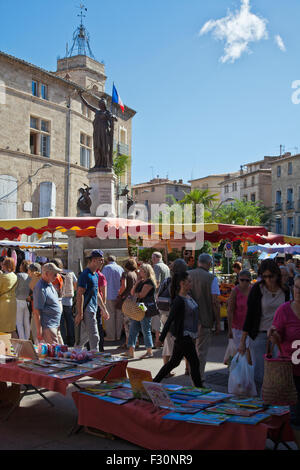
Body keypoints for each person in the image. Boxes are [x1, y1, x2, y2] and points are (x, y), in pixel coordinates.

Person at [238, 258, 290, 395]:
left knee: (278, 372)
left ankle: (276, 401)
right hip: (259, 334)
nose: (268, 279)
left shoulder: (284, 291)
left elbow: (288, 314)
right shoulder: (257, 289)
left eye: (270, 276)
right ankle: (263, 401)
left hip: (278, 336)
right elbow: (249, 316)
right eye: (264, 276)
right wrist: (242, 341)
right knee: (260, 374)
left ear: (277, 274)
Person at [153, 271, 203, 387]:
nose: (191, 284)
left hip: (187, 336)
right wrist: (160, 338)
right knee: (194, 363)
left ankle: (154, 382)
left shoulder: (188, 297)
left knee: (173, 362)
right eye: (189, 281)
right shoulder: (178, 300)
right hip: (183, 336)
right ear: (182, 283)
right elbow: (169, 320)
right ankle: (199, 388)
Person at [268, 274, 300, 449]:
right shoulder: (284, 310)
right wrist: (274, 335)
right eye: (296, 287)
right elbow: (277, 334)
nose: (298, 291)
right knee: (296, 415)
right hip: (291, 371)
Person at [189, 253, 221, 383]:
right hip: (204, 319)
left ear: (198, 262)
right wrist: (218, 322)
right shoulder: (211, 278)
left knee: (190, 350)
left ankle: (192, 374)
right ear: (209, 263)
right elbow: (215, 302)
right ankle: (198, 378)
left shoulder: (188, 275)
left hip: (188, 320)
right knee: (201, 351)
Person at [157, 258, 188, 375]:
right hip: (179, 315)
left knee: (167, 342)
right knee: (185, 341)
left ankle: (166, 370)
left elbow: (158, 295)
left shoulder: (167, 281)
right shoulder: (184, 282)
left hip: (165, 313)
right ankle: (187, 369)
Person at [75, 250, 110, 350]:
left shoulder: (95, 275)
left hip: (92, 309)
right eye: (101, 260)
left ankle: (76, 354)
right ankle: (95, 358)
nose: (102, 262)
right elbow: (80, 294)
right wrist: (80, 313)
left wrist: (104, 309)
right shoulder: (85, 274)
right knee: (94, 337)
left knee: (84, 337)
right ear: (93, 260)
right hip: (87, 309)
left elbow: (97, 293)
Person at [125, 264, 157, 359]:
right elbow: (132, 292)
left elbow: (141, 295)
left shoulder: (149, 282)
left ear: (146, 271)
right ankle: (131, 351)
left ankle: (149, 351)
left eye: (141, 270)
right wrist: (137, 283)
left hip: (144, 307)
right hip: (138, 307)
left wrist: (135, 294)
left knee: (145, 329)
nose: (139, 272)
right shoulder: (142, 281)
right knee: (133, 329)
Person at [32, 263, 64, 344]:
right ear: (46, 274)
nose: (56, 276)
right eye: (54, 274)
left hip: (53, 325)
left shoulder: (49, 284)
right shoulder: (40, 287)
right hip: (48, 327)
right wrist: (39, 331)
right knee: (52, 353)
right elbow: (36, 312)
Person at [227, 269, 253, 353]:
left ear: (250, 280)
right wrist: (229, 328)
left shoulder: (253, 290)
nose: (244, 282)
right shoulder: (235, 291)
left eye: (247, 280)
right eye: (242, 280)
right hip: (237, 327)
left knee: (250, 352)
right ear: (238, 280)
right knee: (240, 352)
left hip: (250, 327)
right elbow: (230, 310)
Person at [116, 259, 138, 349]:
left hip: (127, 299)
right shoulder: (135, 274)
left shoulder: (125, 274)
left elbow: (123, 286)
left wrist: (119, 294)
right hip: (134, 299)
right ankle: (135, 341)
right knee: (133, 321)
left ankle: (128, 342)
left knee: (127, 322)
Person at [101, 255, 124, 341]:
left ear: (107, 260)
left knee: (110, 315)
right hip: (119, 294)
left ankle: (111, 336)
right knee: (119, 316)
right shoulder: (120, 268)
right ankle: (118, 335)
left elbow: (103, 281)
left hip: (109, 294)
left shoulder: (106, 268)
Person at [151, 252, 170, 348]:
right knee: (164, 319)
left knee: (157, 318)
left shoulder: (157, 267)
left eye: (152, 258)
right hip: (166, 296)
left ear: (154, 258)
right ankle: (164, 340)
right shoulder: (166, 266)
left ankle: (158, 340)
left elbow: (156, 282)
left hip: (158, 295)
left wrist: (154, 293)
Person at [60, 264, 77, 346]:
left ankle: (63, 340)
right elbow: (76, 284)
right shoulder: (71, 273)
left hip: (59, 300)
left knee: (61, 322)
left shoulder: (57, 273)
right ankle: (72, 340)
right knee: (70, 321)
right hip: (69, 300)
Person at [0, 257, 18, 335]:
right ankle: (16, 344)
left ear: (6, 265)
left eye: (3, 264)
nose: (1, 265)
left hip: (4, 303)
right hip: (13, 302)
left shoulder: (3, 277)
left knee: (3, 327)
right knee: (11, 327)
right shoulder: (15, 276)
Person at [15, 260, 31, 340]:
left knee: (19, 323)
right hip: (26, 301)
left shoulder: (18, 275)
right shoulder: (30, 276)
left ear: (22, 266)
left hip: (18, 300)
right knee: (26, 322)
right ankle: (27, 339)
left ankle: (22, 340)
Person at [28, 263, 42, 344]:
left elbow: (37, 294)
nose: (28, 273)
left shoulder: (36, 280)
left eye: (29, 271)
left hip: (36, 310)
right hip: (37, 310)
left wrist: (31, 297)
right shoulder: (41, 279)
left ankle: (38, 350)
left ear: (34, 271)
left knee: (36, 331)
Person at [96, 257, 107, 352]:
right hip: (98, 304)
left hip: (95, 304)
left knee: (96, 327)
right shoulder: (101, 275)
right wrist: (104, 307)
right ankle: (100, 348)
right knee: (99, 327)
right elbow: (104, 292)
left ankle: (97, 347)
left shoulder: (98, 275)